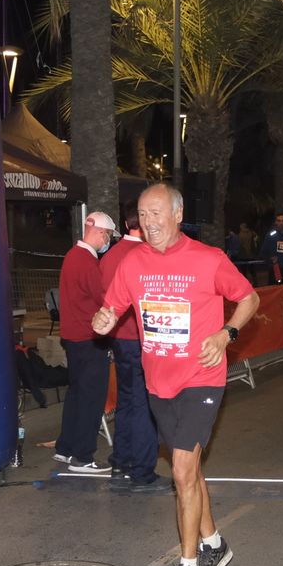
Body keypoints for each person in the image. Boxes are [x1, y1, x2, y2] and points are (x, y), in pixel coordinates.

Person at [93, 184, 260, 566]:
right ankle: (215, 543)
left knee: (183, 472)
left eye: (156, 214)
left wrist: (227, 334)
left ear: (177, 213)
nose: (149, 223)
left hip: (201, 379)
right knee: (191, 470)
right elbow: (114, 307)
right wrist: (104, 317)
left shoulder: (209, 259)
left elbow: (249, 297)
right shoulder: (132, 263)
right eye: (143, 216)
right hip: (158, 381)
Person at [99, 204, 165, 493]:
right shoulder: (145, 256)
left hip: (119, 337)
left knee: (126, 401)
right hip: (141, 338)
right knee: (145, 405)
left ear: (125, 225)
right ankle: (142, 470)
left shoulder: (110, 255)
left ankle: (120, 462)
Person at [52, 212, 118, 473]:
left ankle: (66, 448)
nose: (107, 241)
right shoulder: (88, 262)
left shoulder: (72, 256)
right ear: (101, 233)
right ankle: (83, 456)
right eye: (108, 236)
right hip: (89, 338)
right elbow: (105, 298)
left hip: (72, 337)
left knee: (77, 394)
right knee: (92, 397)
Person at [259, 212, 283, 284]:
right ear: (276, 222)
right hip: (274, 269)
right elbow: (262, 253)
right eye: (279, 221)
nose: (281, 223)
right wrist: (270, 258)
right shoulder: (270, 235)